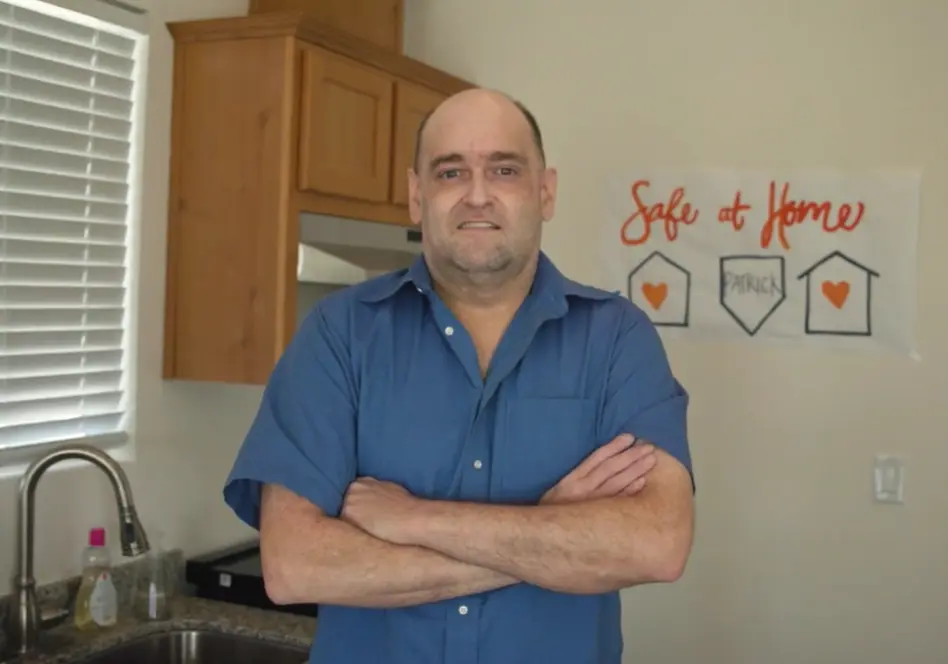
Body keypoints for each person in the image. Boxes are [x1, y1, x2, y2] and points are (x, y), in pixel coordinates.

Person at [222, 87, 695, 664]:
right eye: (450, 173)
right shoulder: (340, 334)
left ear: (544, 193)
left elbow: (656, 544)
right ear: (417, 197)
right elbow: (295, 566)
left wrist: (416, 519)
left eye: (503, 169)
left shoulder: (617, 338)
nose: (477, 195)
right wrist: (548, 531)